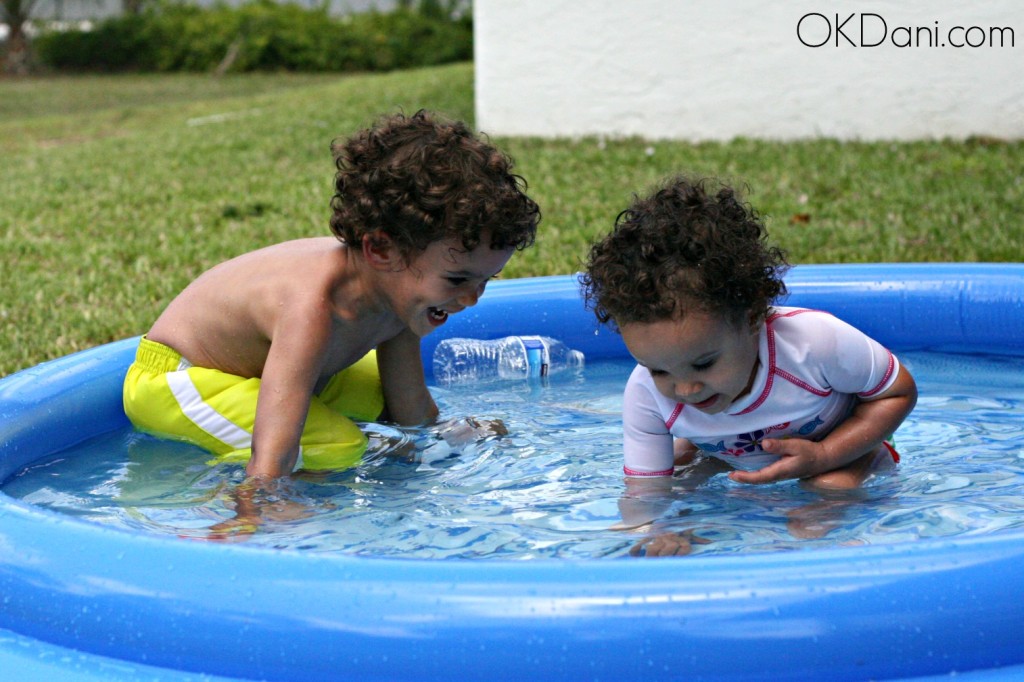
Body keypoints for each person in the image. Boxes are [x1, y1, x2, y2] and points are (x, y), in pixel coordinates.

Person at [123, 110, 541, 482]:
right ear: (380, 250)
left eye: (485, 281)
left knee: (381, 403)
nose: (471, 300)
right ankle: (331, 461)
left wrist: (435, 439)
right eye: (456, 280)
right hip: (181, 382)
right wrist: (262, 504)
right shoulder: (312, 307)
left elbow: (409, 404)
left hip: (274, 375)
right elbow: (272, 455)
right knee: (338, 446)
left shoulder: (396, 290)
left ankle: (371, 447)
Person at [581, 176, 917, 555]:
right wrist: (655, 527)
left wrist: (825, 455)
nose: (686, 388)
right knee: (673, 476)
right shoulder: (644, 393)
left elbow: (898, 391)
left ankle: (857, 460)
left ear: (753, 317)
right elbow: (644, 490)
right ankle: (706, 447)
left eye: (704, 363)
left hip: (835, 444)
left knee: (825, 498)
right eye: (660, 370)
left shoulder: (813, 343)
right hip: (727, 453)